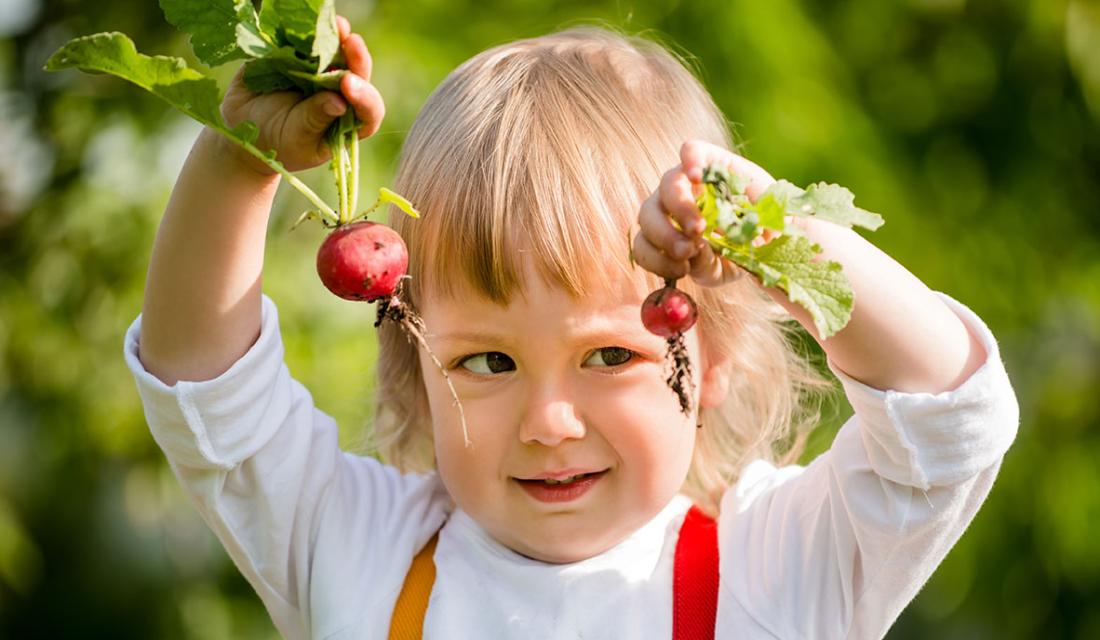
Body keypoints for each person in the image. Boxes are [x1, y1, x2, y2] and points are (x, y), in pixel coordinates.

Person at [123, 14, 1019, 640]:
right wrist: (240, 160)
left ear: (710, 356)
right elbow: (205, 389)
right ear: (414, 360)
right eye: (487, 360)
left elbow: (949, 423)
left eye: (609, 354)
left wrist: (774, 235)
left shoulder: (774, 570)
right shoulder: (364, 556)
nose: (549, 422)